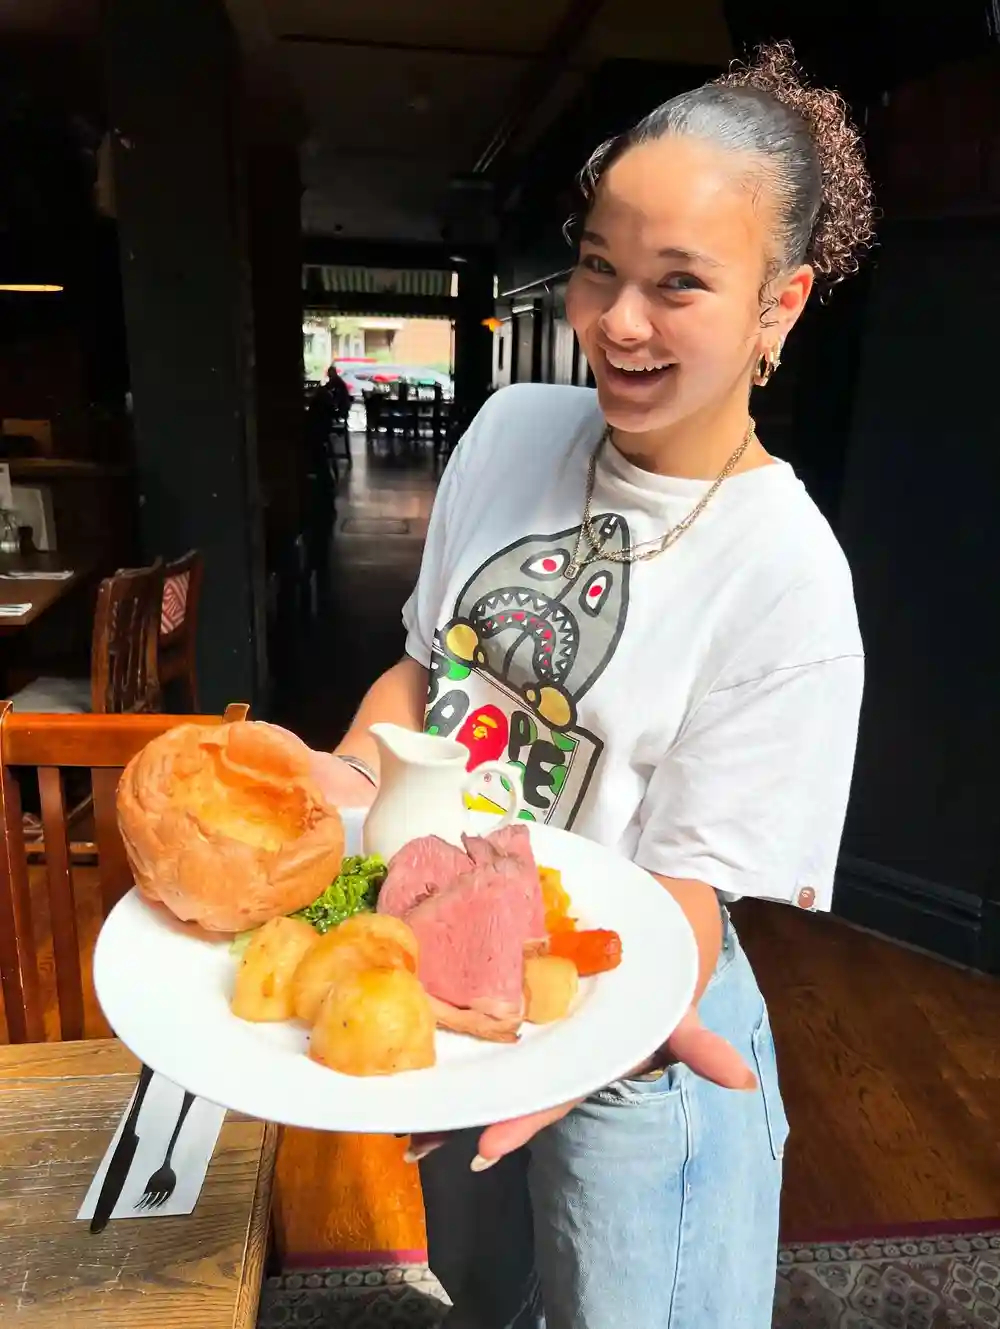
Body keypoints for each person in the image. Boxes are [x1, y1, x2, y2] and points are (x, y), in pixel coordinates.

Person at [308, 42, 874, 1329]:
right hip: (458, 972)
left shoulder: (787, 580)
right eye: (603, 270)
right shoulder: (510, 428)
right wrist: (339, 785)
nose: (620, 322)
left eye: (679, 285)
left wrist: (581, 1047)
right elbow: (425, 671)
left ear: (778, 308)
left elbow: (685, 897)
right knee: (488, 1292)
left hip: (637, 1021)